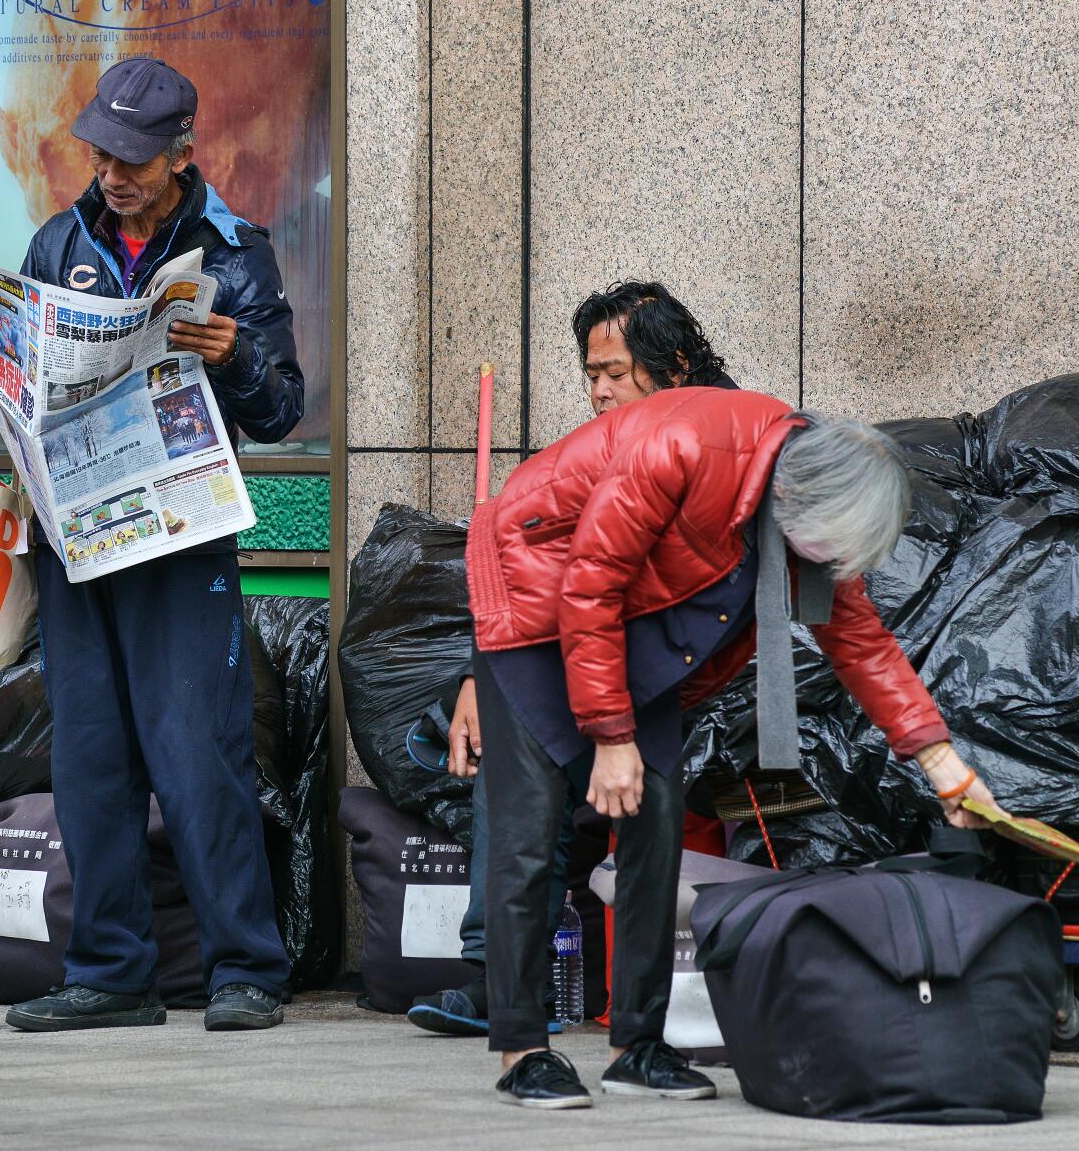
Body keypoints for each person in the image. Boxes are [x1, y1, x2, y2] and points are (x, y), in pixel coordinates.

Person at [466, 388, 1004, 1108]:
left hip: (629, 624)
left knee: (655, 823)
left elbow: (862, 642)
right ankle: (521, 1048)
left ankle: (637, 1044)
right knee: (530, 832)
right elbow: (590, 582)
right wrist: (612, 735)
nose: (837, 566)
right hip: (535, 584)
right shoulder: (682, 448)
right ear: (802, 499)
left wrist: (945, 765)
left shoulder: (797, 507)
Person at [0, 56, 305, 1033]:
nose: (114, 174)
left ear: (183, 153)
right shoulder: (57, 240)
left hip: (178, 541)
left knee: (197, 756)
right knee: (89, 759)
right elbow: (18, 402)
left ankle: (244, 969)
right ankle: (111, 970)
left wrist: (238, 357)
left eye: (133, 158)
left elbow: (282, 408)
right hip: (74, 535)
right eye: (102, 154)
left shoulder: (231, 250)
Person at [406, 281, 734, 1038]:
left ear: (676, 365)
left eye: (616, 373)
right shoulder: (591, 456)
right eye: (591, 374)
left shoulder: (716, 438)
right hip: (592, 663)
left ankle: (638, 1026)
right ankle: (500, 983)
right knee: (518, 770)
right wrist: (478, 676)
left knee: (643, 789)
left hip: (692, 678)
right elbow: (548, 579)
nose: (598, 391)